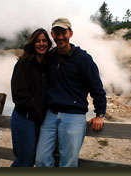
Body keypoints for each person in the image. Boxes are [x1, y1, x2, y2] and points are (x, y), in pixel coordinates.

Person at [35, 18, 107, 167]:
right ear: (52, 35)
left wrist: (100, 114)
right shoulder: (50, 57)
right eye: (57, 33)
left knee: (68, 163)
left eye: (64, 33)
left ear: (71, 33)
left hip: (74, 116)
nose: (60, 37)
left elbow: (97, 88)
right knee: (41, 159)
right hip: (51, 114)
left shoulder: (83, 59)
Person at [10, 28, 52, 167]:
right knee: (25, 161)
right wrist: (37, 111)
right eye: (38, 41)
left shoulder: (47, 65)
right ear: (32, 44)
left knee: (33, 158)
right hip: (24, 118)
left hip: (38, 120)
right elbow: (19, 95)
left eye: (44, 40)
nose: (41, 44)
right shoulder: (24, 64)